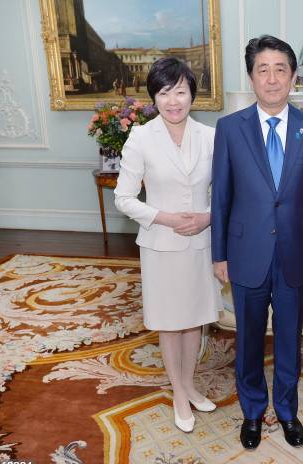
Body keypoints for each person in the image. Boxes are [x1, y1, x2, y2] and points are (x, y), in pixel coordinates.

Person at [211, 35, 303, 450]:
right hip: (246, 253)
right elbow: (221, 196)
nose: (272, 78)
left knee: (288, 338)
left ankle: (287, 410)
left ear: (293, 77)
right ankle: (252, 412)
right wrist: (219, 253)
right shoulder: (229, 129)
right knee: (247, 340)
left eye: (281, 69)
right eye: (263, 69)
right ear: (252, 77)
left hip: (296, 252)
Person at [114, 57, 220, 434]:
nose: (173, 100)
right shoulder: (141, 137)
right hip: (160, 243)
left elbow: (225, 193)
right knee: (170, 323)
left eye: (180, 91)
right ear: (153, 98)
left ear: (193, 93)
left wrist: (206, 217)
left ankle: (189, 382)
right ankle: (178, 391)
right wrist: (166, 217)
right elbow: (124, 198)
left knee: (193, 320)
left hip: (200, 243)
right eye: (164, 92)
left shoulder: (209, 136)